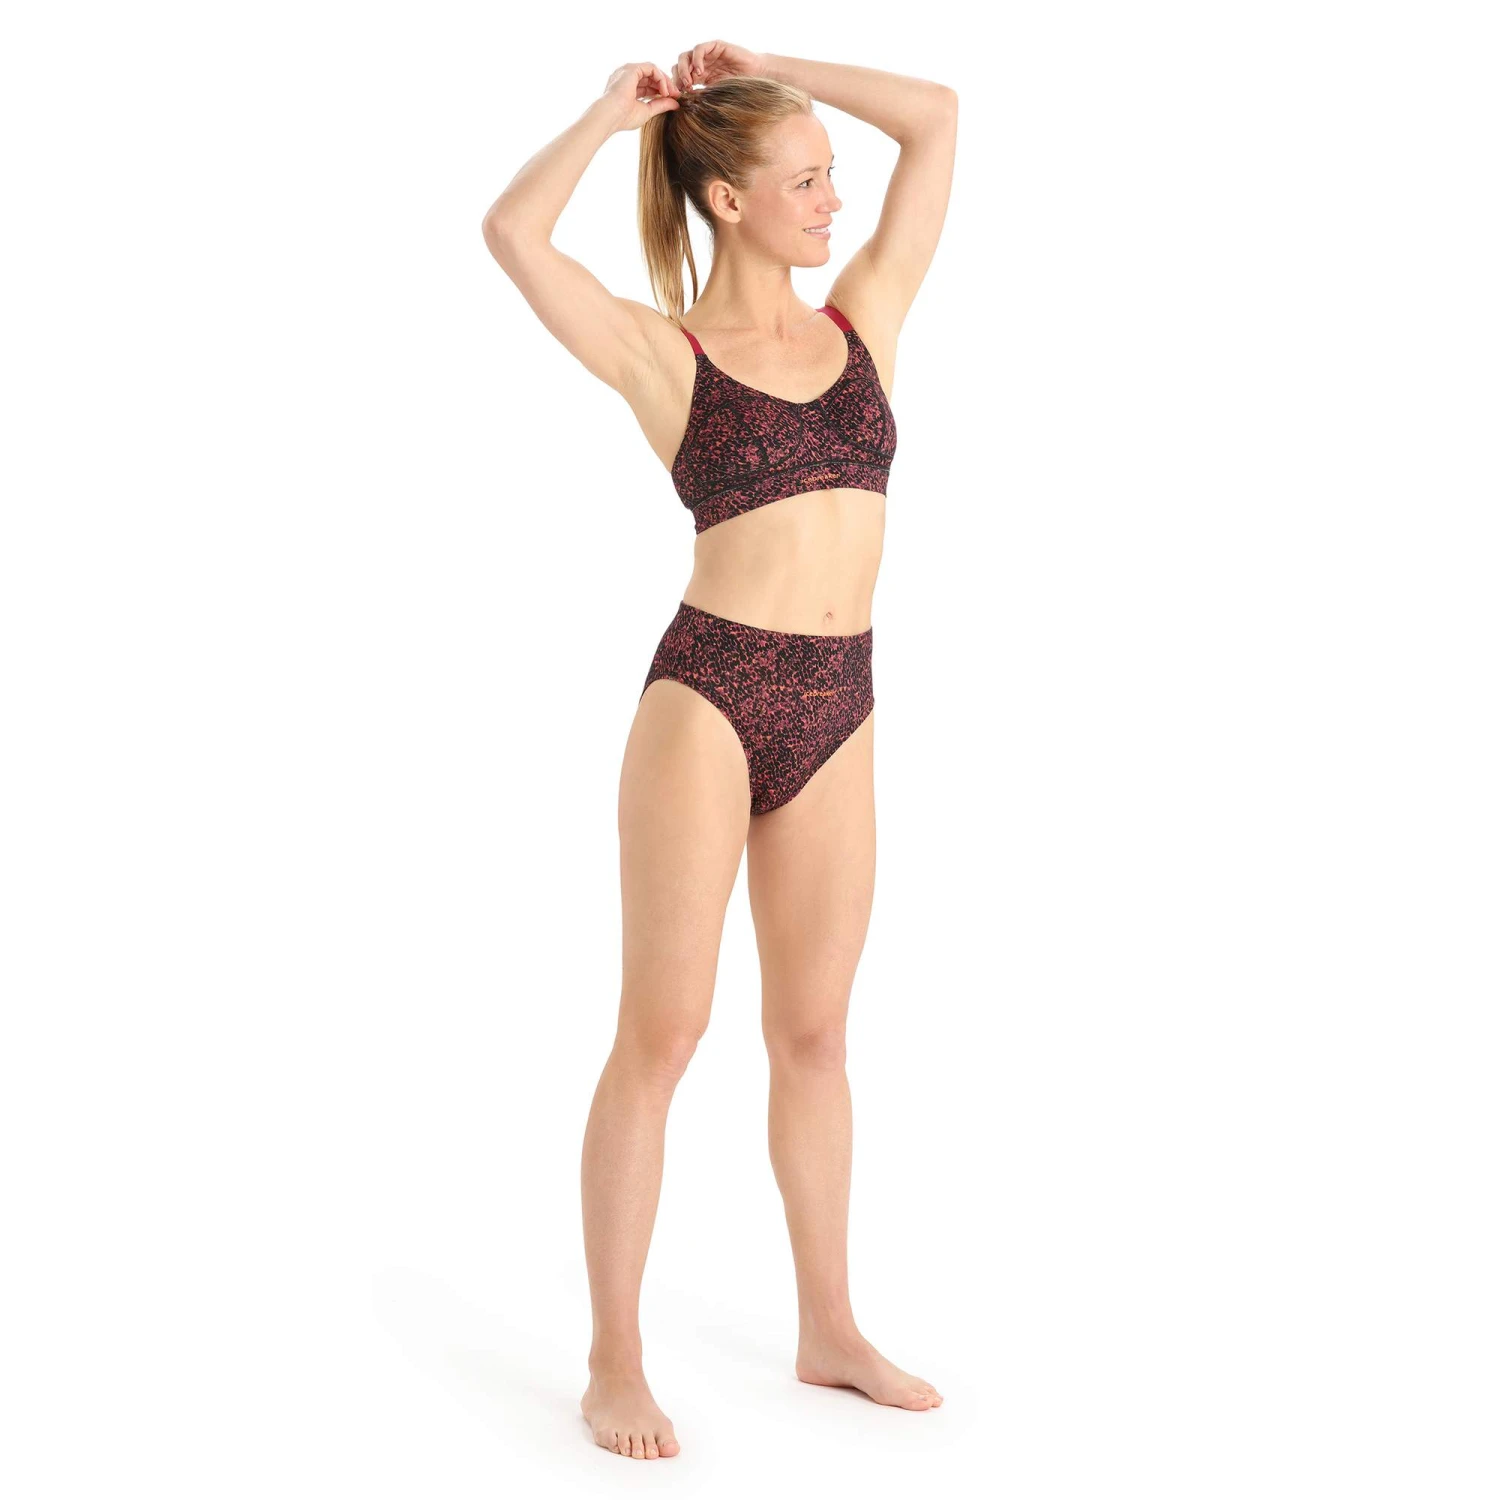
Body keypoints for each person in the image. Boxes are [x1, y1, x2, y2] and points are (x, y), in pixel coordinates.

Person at [481, 41, 958, 1461]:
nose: (833, 198)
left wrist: (770, 68)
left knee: (814, 1034)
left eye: (831, 175)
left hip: (840, 699)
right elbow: (512, 234)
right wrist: (610, 115)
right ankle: (613, 1359)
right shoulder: (664, 353)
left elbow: (939, 118)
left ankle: (830, 1328)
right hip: (710, 695)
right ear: (729, 201)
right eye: (805, 180)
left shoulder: (865, 318)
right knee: (665, 1032)